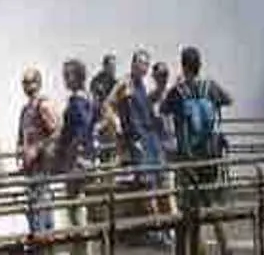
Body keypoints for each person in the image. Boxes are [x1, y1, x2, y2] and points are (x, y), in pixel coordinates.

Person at [159, 47, 234, 254]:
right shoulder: (210, 87)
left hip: (188, 160)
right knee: (210, 206)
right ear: (199, 65)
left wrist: (176, 85)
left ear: (183, 66)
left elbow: (162, 109)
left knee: (187, 211)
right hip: (210, 157)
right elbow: (229, 99)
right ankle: (226, 249)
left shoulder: (178, 92)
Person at [111, 51, 169, 233]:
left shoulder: (141, 85)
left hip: (151, 138)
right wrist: (117, 125)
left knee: (162, 181)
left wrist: (160, 89)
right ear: (132, 64)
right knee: (147, 184)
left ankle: (166, 227)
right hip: (137, 140)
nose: (142, 67)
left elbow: (145, 104)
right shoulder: (124, 83)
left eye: (145, 64)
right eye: (139, 63)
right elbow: (108, 104)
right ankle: (156, 228)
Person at [17, 66, 62, 238]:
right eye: (24, 83)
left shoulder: (43, 105)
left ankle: (44, 241)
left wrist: (38, 148)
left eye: (31, 82)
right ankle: (40, 240)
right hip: (30, 167)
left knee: (41, 206)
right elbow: (23, 135)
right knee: (34, 205)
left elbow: (57, 131)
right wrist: (21, 149)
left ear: (39, 83)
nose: (27, 86)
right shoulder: (26, 109)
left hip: (42, 165)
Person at [56, 59, 100, 234]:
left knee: (74, 207)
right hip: (89, 156)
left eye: (68, 75)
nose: (65, 79)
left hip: (77, 160)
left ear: (77, 77)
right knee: (83, 205)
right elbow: (95, 122)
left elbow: (80, 130)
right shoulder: (89, 98)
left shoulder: (76, 101)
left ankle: (81, 245)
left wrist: (70, 152)